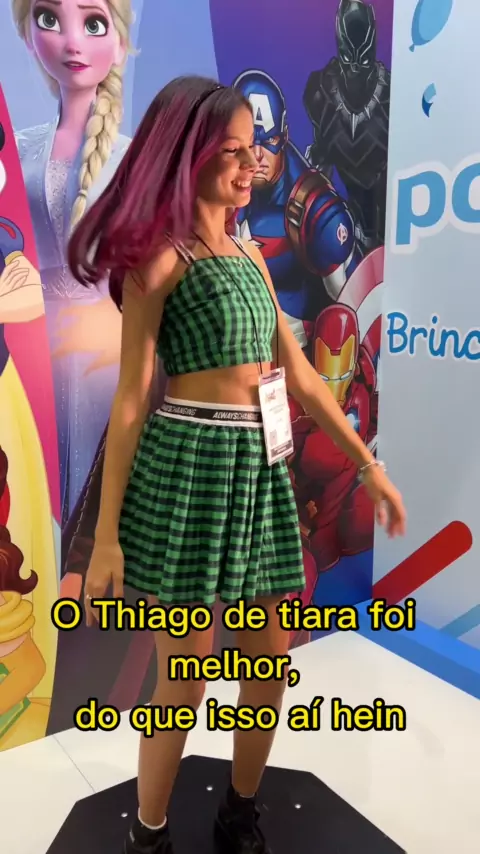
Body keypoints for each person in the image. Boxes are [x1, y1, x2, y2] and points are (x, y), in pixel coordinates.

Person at [68, 75, 406, 854]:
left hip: (260, 473)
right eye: (231, 150)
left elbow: (304, 376)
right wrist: (107, 537)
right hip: (189, 470)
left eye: (253, 147)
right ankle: (149, 832)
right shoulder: (161, 264)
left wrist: (368, 466)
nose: (251, 162)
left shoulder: (252, 255)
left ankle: (239, 809)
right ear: (189, 157)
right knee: (183, 675)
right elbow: (130, 401)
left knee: (270, 659)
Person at [12, 0, 133, 522]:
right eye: (49, 20)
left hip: (111, 350)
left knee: (101, 499)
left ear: (119, 43)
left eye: (93, 23)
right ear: (27, 36)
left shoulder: (134, 158)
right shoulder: (16, 153)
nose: (72, 41)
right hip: (29, 347)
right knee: (31, 491)